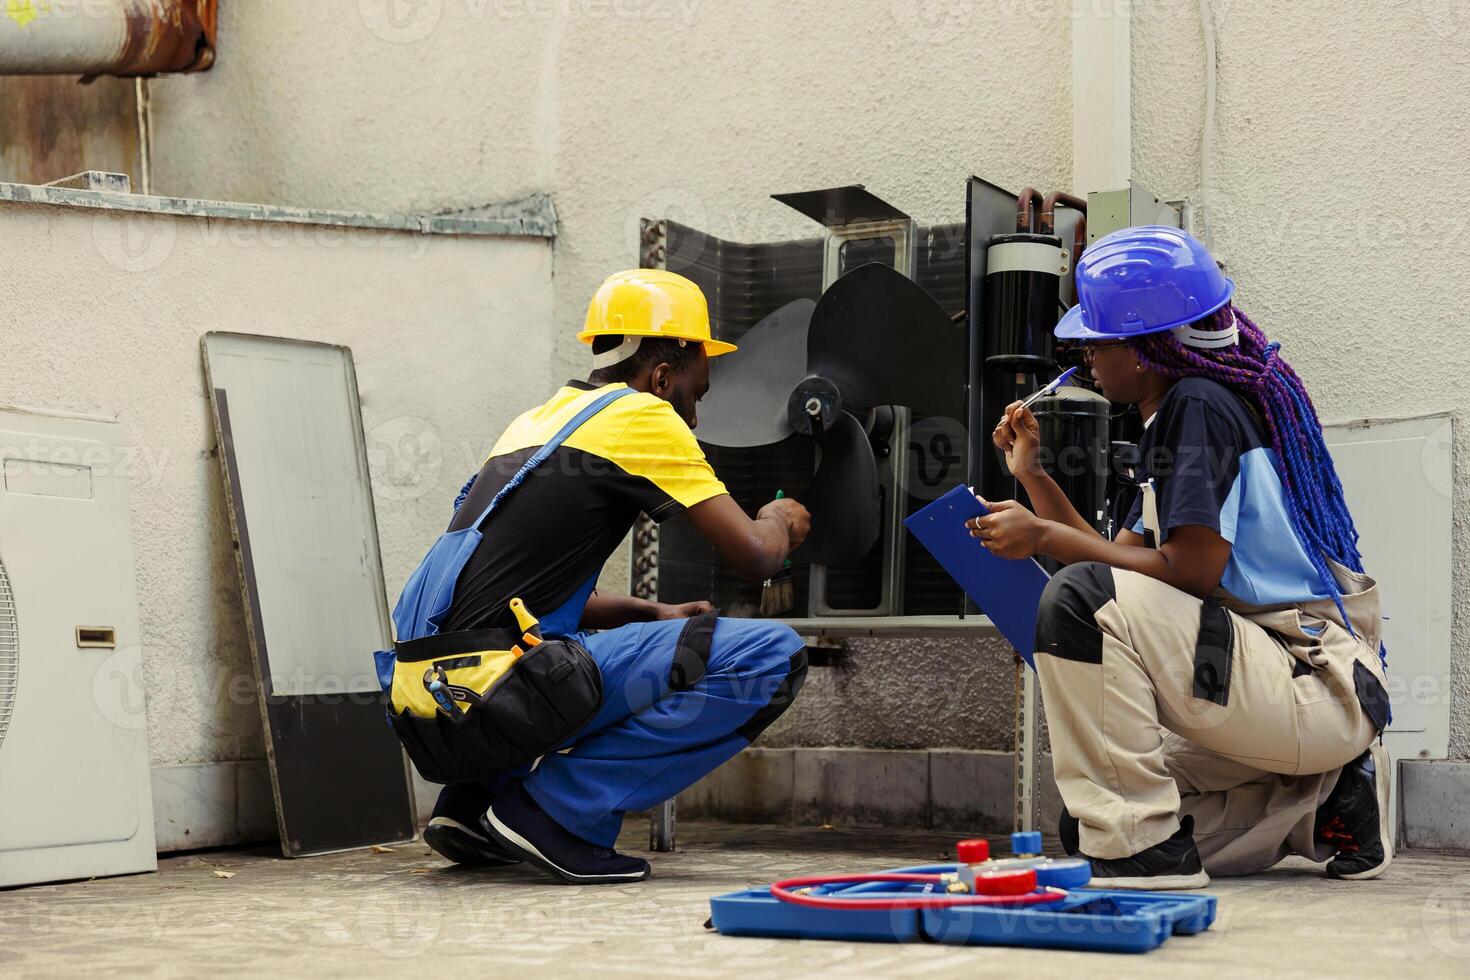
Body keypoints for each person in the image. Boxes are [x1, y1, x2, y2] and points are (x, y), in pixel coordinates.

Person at [971, 226, 1392, 889]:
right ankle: (1326, 808)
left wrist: (1044, 537)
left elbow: (1185, 573)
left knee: (1081, 604)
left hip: (1310, 679)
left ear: (1143, 350)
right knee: (1089, 823)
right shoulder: (1174, 417)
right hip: (1285, 692)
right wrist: (1034, 479)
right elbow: (1120, 564)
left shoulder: (1197, 407)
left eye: (1097, 339)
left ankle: (1146, 855)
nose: (1084, 352)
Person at [402, 269, 811, 884]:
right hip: (498, 698)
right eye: (696, 392)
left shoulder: (537, 421)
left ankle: (472, 805)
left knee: (561, 644)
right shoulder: (643, 417)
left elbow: (517, 596)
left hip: (432, 708)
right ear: (663, 376)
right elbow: (754, 556)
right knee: (771, 656)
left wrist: (649, 613)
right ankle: (555, 815)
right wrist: (778, 519)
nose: (694, 417)